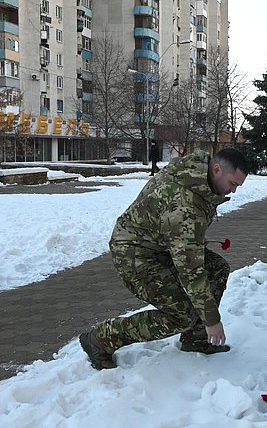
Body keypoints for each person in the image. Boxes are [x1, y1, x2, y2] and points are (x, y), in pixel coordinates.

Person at [80, 148, 249, 370]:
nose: (233, 191)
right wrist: (212, 320)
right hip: (134, 254)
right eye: (232, 183)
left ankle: (196, 339)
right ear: (216, 169)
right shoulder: (184, 204)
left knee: (216, 268)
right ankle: (101, 338)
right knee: (181, 315)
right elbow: (191, 271)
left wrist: (186, 240)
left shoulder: (198, 175)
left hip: (158, 247)